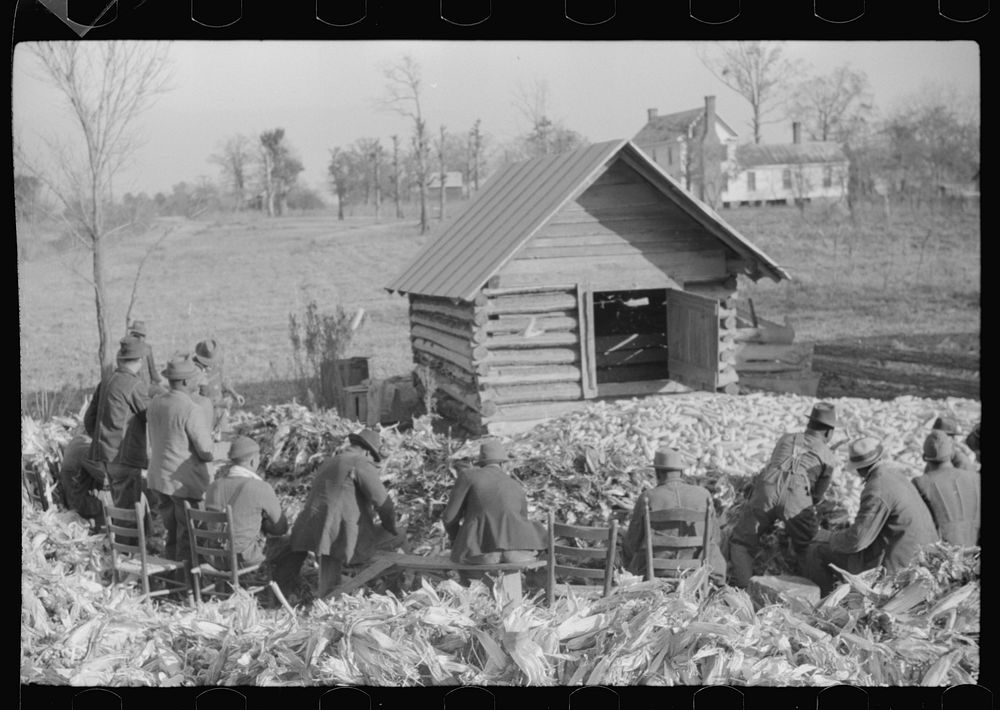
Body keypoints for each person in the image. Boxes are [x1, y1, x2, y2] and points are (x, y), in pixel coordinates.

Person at [801, 437, 939, 595]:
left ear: (860, 469)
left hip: (900, 568)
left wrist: (828, 537)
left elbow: (857, 541)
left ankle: (824, 603)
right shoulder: (895, 475)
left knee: (815, 551)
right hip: (922, 556)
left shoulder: (876, 489)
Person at [274, 429, 398, 601]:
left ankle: (328, 598)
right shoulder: (360, 462)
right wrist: (391, 526)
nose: (371, 462)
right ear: (368, 451)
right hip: (341, 534)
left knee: (330, 556)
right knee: (399, 537)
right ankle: (400, 588)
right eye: (372, 458)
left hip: (315, 530)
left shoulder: (330, 462)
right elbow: (384, 505)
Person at [727, 402, 839, 588]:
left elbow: (774, 463)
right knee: (809, 545)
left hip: (766, 488)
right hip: (797, 497)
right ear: (829, 432)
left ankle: (745, 590)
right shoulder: (827, 455)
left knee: (741, 542)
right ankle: (815, 593)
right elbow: (817, 497)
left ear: (808, 424)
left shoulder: (786, 438)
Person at [146, 354, 222, 562]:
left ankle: (171, 578)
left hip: (159, 479)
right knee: (189, 535)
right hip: (183, 483)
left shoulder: (155, 403)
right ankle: (187, 586)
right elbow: (205, 451)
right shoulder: (191, 409)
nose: (198, 381)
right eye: (195, 378)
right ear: (187, 382)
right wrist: (216, 446)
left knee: (172, 532)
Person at [441, 440, 546, 580]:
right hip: (518, 555)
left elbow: (449, 518)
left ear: (480, 463)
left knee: (467, 576)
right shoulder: (515, 484)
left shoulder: (468, 475)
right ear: (503, 464)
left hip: (481, 554)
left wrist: (455, 540)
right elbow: (523, 519)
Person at [622, 448, 726, 581]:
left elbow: (632, 543)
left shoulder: (648, 497)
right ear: (682, 472)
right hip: (696, 572)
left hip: (656, 572)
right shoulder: (703, 495)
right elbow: (716, 537)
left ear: (657, 472)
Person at [82, 336, 150, 534]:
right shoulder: (134, 385)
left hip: (104, 456)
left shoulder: (107, 380)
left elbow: (89, 419)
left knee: (122, 504)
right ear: (139, 361)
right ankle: (127, 555)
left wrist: (102, 440)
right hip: (124, 457)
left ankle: (131, 548)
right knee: (128, 510)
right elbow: (151, 416)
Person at [205, 436, 288, 568]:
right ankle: (274, 587)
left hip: (214, 558)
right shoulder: (261, 488)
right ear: (252, 461)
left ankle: (228, 584)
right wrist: (264, 525)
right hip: (242, 559)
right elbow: (281, 528)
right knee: (288, 543)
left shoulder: (214, 486)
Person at [912, 431, 980, 547]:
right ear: (951, 454)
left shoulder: (920, 483)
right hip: (975, 550)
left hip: (945, 555)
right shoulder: (975, 477)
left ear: (925, 458)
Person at [192, 338, 245, 434]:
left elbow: (224, 380)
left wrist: (234, 394)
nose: (211, 365)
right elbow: (194, 401)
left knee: (224, 436)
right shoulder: (194, 371)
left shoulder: (218, 363)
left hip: (220, 411)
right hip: (204, 415)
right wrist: (219, 404)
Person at [57, 431, 104, 527]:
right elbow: (105, 478)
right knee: (120, 503)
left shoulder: (77, 440)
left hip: (71, 498)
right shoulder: (87, 448)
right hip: (80, 504)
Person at [127, 320, 166, 395]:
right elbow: (152, 370)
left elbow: (152, 370)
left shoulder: (128, 349)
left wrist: (157, 382)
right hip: (139, 386)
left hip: (140, 386)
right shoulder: (146, 348)